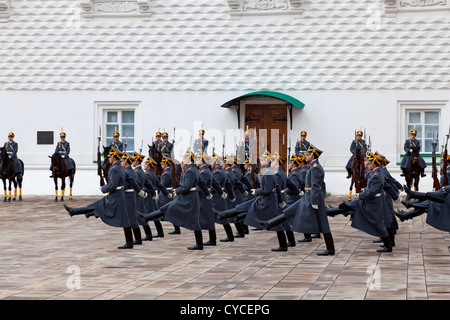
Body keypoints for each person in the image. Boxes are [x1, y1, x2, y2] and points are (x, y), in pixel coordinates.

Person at [63, 146, 148, 249]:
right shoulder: (121, 168)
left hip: (115, 197)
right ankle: (76, 211)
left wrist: (103, 188)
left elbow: (113, 185)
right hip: (120, 196)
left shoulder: (115, 169)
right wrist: (140, 192)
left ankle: (77, 211)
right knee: (121, 217)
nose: (108, 159)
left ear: (114, 157)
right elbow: (131, 181)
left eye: (109, 157)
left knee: (98, 205)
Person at [139, 149, 212, 250]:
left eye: (184, 158)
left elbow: (187, 186)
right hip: (187, 197)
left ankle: (199, 244)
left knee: (194, 220)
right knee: (168, 207)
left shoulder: (191, 171)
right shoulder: (192, 169)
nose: (182, 160)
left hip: (189, 198)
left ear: (188, 159)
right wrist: (208, 194)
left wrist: (176, 191)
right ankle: (147, 217)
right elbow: (202, 183)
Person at [329, 151, 393, 253]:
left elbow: (372, 191)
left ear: (373, 164)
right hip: (371, 201)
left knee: (379, 225)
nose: (366, 165)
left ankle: (388, 246)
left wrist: (361, 194)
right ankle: (334, 211)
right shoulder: (377, 173)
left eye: (368, 163)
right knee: (353, 205)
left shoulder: (377, 175)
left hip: (373, 203)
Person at [211, 152, 237, 242]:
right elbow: (228, 185)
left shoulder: (217, 173)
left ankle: (212, 239)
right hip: (220, 198)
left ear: (216, 162)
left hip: (216, 198)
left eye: (212, 161)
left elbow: (215, 186)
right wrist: (231, 196)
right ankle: (230, 236)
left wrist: (207, 193)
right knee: (223, 217)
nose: (211, 163)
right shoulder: (222, 171)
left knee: (212, 217)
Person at [143, 155, 170, 238]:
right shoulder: (152, 173)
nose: (144, 165)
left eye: (145, 164)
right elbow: (160, 185)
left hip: (148, 197)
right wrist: (167, 193)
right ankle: (160, 232)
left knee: (145, 215)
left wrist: (141, 192)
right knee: (154, 215)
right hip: (151, 196)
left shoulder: (147, 174)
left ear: (148, 165)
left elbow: (149, 186)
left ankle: (148, 235)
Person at [132, 151, 156, 242]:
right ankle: (148, 235)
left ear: (137, 162)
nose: (132, 162)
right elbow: (148, 184)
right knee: (140, 217)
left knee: (138, 217)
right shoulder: (141, 171)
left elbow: (136, 184)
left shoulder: (137, 172)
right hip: (140, 196)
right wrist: (153, 194)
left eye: (133, 160)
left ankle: (141, 238)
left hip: (137, 196)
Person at [158, 155, 179, 235]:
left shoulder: (166, 173)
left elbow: (162, 185)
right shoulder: (170, 172)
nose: (161, 165)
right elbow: (176, 182)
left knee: (170, 211)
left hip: (166, 194)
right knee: (171, 211)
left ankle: (176, 229)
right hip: (169, 193)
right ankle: (176, 228)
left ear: (166, 164)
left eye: (162, 164)